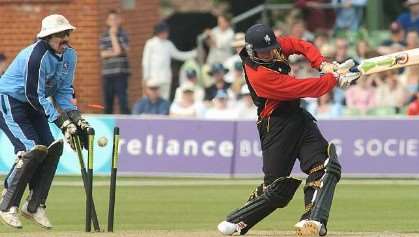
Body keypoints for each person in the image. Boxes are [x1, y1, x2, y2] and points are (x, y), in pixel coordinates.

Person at [216, 23, 360, 236]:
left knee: (326, 166)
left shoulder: (273, 46)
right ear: (251, 50)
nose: (268, 54)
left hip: (297, 117)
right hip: (275, 125)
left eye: (270, 48)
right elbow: (297, 89)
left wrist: (322, 64)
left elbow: (299, 44)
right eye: (262, 51)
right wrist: (333, 79)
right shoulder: (258, 74)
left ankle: (312, 221)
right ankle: (237, 220)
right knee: (277, 190)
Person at [0, 14, 92, 229]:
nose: (66, 39)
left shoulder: (70, 56)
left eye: (68, 34)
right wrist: (62, 123)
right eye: (61, 35)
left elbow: (62, 91)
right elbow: (34, 95)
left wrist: (75, 119)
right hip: (11, 101)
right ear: (48, 37)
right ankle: (7, 205)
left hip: (35, 104)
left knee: (51, 149)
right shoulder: (36, 56)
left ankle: (34, 205)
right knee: (30, 149)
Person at [142, 21, 197, 100]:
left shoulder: (168, 44)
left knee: (165, 99)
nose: (166, 34)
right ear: (158, 32)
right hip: (153, 78)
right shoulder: (150, 43)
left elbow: (179, 55)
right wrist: (146, 77)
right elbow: (145, 62)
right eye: (164, 32)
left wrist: (194, 53)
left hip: (165, 77)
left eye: (166, 32)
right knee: (152, 99)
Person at [99, 10, 130, 114]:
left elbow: (122, 50)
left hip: (121, 73)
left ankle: (127, 124)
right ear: (107, 22)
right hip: (108, 73)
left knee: (123, 100)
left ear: (120, 20)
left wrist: (113, 36)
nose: (113, 22)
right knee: (108, 101)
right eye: (111, 19)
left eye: (115, 19)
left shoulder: (123, 34)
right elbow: (103, 54)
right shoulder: (103, 36)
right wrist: (115, 52)